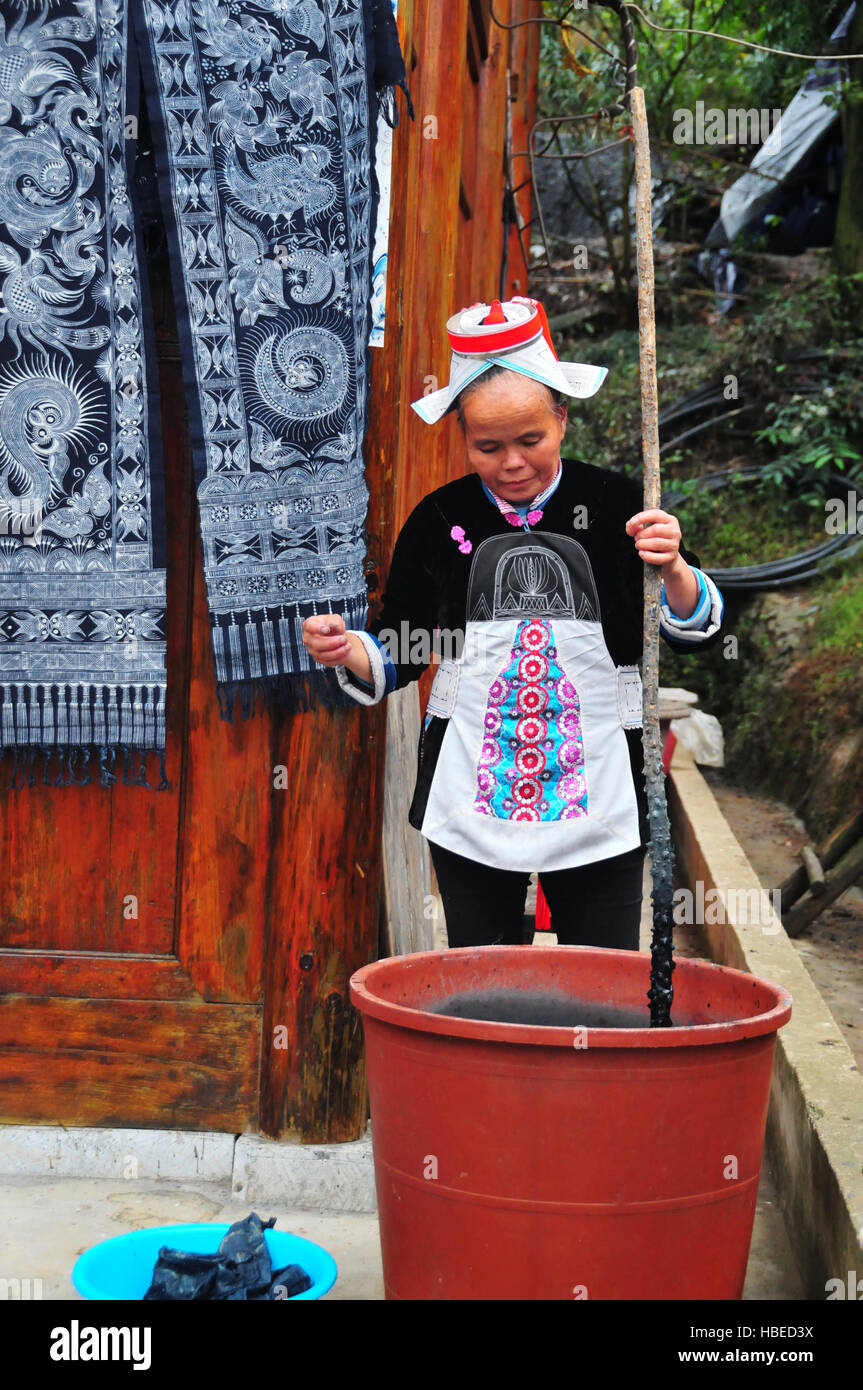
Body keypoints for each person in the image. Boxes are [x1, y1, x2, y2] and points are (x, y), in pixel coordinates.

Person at [302, 296, 725, 951]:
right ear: (462, 439)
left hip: (604, 782)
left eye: (530, 440)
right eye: (487, 446)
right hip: (472, 783)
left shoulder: (618, 505)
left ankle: (589, 1052)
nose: (512, 463)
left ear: (561, 417)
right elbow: (403, 648)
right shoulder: (439, 519)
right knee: (484, 969)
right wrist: (346, 650)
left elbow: (689, 629)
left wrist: (671, 566)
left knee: (599, 971)